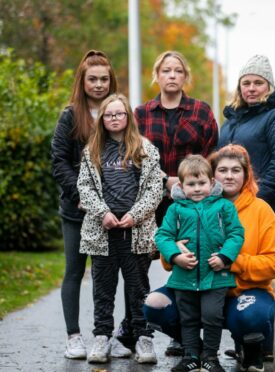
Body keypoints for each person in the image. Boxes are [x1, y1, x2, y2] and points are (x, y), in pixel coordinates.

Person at [144, 144, 275, 372]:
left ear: (245, 174)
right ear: (213, 175)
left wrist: (232, 261)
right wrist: (174, 252)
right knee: (154, 305)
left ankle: (250, 351)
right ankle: (196, 352)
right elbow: (165, 253)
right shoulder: (181, 208)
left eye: (236, 170)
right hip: (193, 284)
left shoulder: (261, 211)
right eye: (223, 170)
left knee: (251, 316)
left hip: (241, 291)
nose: (229, 175)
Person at [128, 50, 220, 355]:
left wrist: (187, 182)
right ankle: (137, 329)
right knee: (141, 263)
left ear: (185, 76)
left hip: (191, 203)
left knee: (186, 263)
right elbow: (132, 157)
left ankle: (184, 334)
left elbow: (210, 155)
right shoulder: (141, 114)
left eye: (177, 70)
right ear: (156, 75)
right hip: (151, 204)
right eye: (165, 70)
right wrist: (162, 181)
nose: (171, 75)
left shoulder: (201, 112)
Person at [50, 49, 131, 360]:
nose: (99, 84)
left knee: (108, 276)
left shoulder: (120, 114)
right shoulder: (70, 116)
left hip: (115, 214)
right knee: (74, 271)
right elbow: (59, 162)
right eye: (92, 79)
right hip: (77, 212)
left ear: (112, 81)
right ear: (82, 82)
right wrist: (80, 196)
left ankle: (110, 335)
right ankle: (73, 337)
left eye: (104, 79)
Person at [77, 94, 162, 364]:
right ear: (102, 119)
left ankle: (144, 339)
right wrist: (102, 212)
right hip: (102, 232)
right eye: (109, 114)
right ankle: (102, 337)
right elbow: (85, 187)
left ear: (128, 117)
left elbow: (154, 188)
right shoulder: (92, 151)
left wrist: (135, 215)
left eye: (119, 113)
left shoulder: (144, 149)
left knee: (138, 288)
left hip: (135, 232)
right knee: (103, 289)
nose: (114, 118)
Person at [155, 154, 244, 372]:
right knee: (188, 318)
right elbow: (163, 236)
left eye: (202, 183)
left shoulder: (223, 207)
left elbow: (236, 234)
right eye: (191, 184)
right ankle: (191, 355)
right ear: (181, 186)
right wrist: (175, 256)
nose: (197, 189)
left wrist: (224, 257)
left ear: (212, 183)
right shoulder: (175, 209)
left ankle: (211, 357)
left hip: (215, 276)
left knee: (212, 316)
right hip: (184, 277)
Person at [218, 55, 275, 243]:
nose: (252, 88)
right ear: (239, 87)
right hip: (235, 208)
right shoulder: (231, 120)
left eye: (258, 82)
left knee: (258, 268)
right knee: (233, 267)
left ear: (269, 86)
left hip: (270, 208)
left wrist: (252, 201)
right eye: (246, 83)